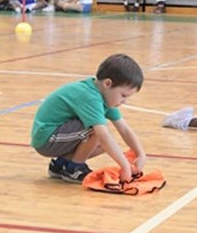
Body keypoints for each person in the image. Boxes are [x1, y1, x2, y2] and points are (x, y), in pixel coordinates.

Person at [31, 54, 146, 183]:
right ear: (107, 84)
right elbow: (102, 136)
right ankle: (74, 169)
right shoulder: (90, 97)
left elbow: (124, 129)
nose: (124, 101)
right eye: (123, 95)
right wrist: (125, 166)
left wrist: (140, 153)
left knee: (106, 143)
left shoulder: (103, 94)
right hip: (47, 138)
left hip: (57, 135)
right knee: (99, 132)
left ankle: (61, 164)